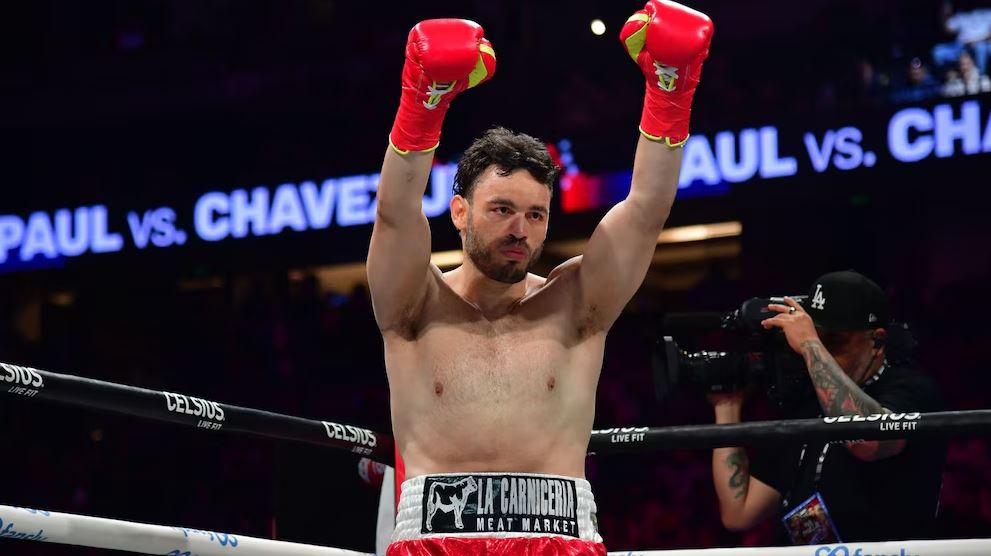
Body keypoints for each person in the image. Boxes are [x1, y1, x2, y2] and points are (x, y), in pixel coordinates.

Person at [366, 2, 713, 554]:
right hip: (435, 540)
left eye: (536, 215)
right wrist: (422, 102)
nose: (520, 230)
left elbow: (647, 209)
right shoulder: (414, 301)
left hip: (558, 538)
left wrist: (670, 92)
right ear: (459, 212)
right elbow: (394, 213)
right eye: (501, 209)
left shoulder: (575, 304)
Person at [707, 271, 946, 544]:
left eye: (833, 340)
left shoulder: (912, 390)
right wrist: (727, 406)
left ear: (877, 341)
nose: (821, 350)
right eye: (816, 336)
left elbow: (868, 442)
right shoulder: (806, 402)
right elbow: (739, 512)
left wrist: (809, 344)